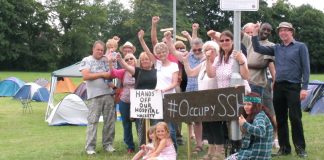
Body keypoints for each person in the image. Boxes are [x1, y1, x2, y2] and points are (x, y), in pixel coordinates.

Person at [251, 22, 310, 158]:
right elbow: (258, 48)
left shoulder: (300, 47)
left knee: (295, 118)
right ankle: (284, 148)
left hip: (294, 87)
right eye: (280, 31)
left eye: (286, 30)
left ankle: (300, 148)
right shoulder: (276, 48)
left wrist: (304, 88)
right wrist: (255, 33)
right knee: (281, 119)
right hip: (278, 86)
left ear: (291, 32)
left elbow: (306, 69)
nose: (283, 33)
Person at [206, 30, 251, 156]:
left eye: (227, 40)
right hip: (225, 97)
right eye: (222, 40)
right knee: (228, 126)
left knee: (239, 125)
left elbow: (246, 76)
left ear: (232, 41)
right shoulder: (219, 58)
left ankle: (243, 151)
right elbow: (211, 74)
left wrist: (241, 61)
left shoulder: (237, 55)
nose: (225, 42)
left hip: (240, 96)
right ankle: (232, 152)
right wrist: (208, 60)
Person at [182, 40, 225, 160]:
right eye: (206, 50)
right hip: (203, 99)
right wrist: (185, 61)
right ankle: (211, 151)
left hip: (215, 99)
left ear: (216, 52)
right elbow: (190, 73)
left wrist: (208, 60)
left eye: (211, 50)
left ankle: (220, 151)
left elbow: (212, 75)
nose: (208, 52)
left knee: (216, 126)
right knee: (207, 126)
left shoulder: (218, 63)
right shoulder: (202, 64)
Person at [139, 29, 179, 151]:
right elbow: (147, 51)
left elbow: (174, 83)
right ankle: (159, 152)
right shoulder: (157, 64)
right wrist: (141, 39)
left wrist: (163, 90)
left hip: (169, 99)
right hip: (156, 99)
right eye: (159, 53)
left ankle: (174, 151)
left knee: (170, 128)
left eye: (163, 52)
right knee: (157, 128)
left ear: (167, 52)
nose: (161, 54)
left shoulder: (174, 65)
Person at [79, 41, 116, 155]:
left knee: (109, 121)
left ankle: (108, 145)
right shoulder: (87, 60)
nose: (100, 51)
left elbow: (112, 74)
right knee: (93, 121)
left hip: (108, 94)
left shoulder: (106, 60)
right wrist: (102, 74)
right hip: (94, 96)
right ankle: (90, 147)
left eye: (101, 50)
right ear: (93, 49)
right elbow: (85, 76)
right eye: (98, 49)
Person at [116, 50, 157, 146]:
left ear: (151, 60)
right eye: (142, 60)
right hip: (140, 102)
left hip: (154, 102)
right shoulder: (138, 71)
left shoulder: (156, 71)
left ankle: (155, 146)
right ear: (140, 62)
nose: (145, 61)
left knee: (154, 125)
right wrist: (120, 59)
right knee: (140, 125)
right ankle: (143, 146)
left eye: (147, 59)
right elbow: (126, 66)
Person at [226, 92, 275, 160]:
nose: (245, 107)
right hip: (253, 153)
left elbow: (261, 131)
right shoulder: (256, 115)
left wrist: (245, 124)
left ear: (256, 105)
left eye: (249, 104)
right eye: (245, 104)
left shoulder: (260, 117)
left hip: (256, 155)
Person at [108, 53, 137, 153]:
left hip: (138, 101)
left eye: (131, 58)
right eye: (127, 59)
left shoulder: (139, 70)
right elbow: (113, 73)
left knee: (139, 124)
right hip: (124, 101)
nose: (129, 60)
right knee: (126, 124)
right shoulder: (123, 71)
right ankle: (130, 146)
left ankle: (143, 144)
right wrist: (110, 63)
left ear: (135, 60)